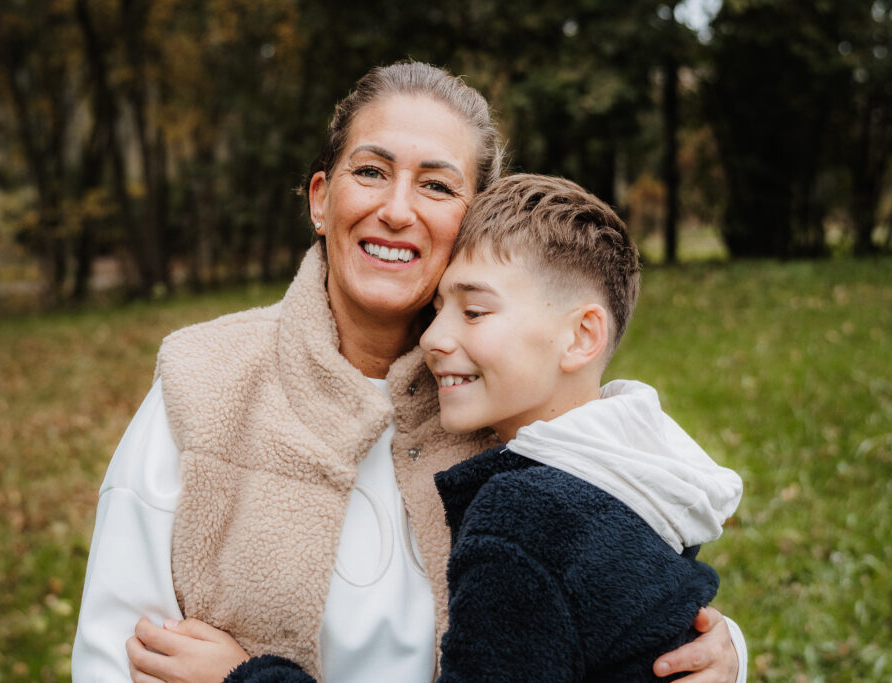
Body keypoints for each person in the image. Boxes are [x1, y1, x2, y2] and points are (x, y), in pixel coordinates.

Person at [72, 62, 748, 682]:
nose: (397, 209)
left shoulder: (512, 408)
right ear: (319, 199)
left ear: (474, 220)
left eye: (436, 184)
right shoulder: (204, 381)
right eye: (370, 171)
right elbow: (116, 655)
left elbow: (626, 549)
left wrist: (719, 649)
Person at [170, 174, 745, 682]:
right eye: (437, 309)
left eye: (473, 311)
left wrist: (243, 676)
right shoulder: (640, 471)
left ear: (580, 337)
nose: (433, 338)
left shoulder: (520, 522)